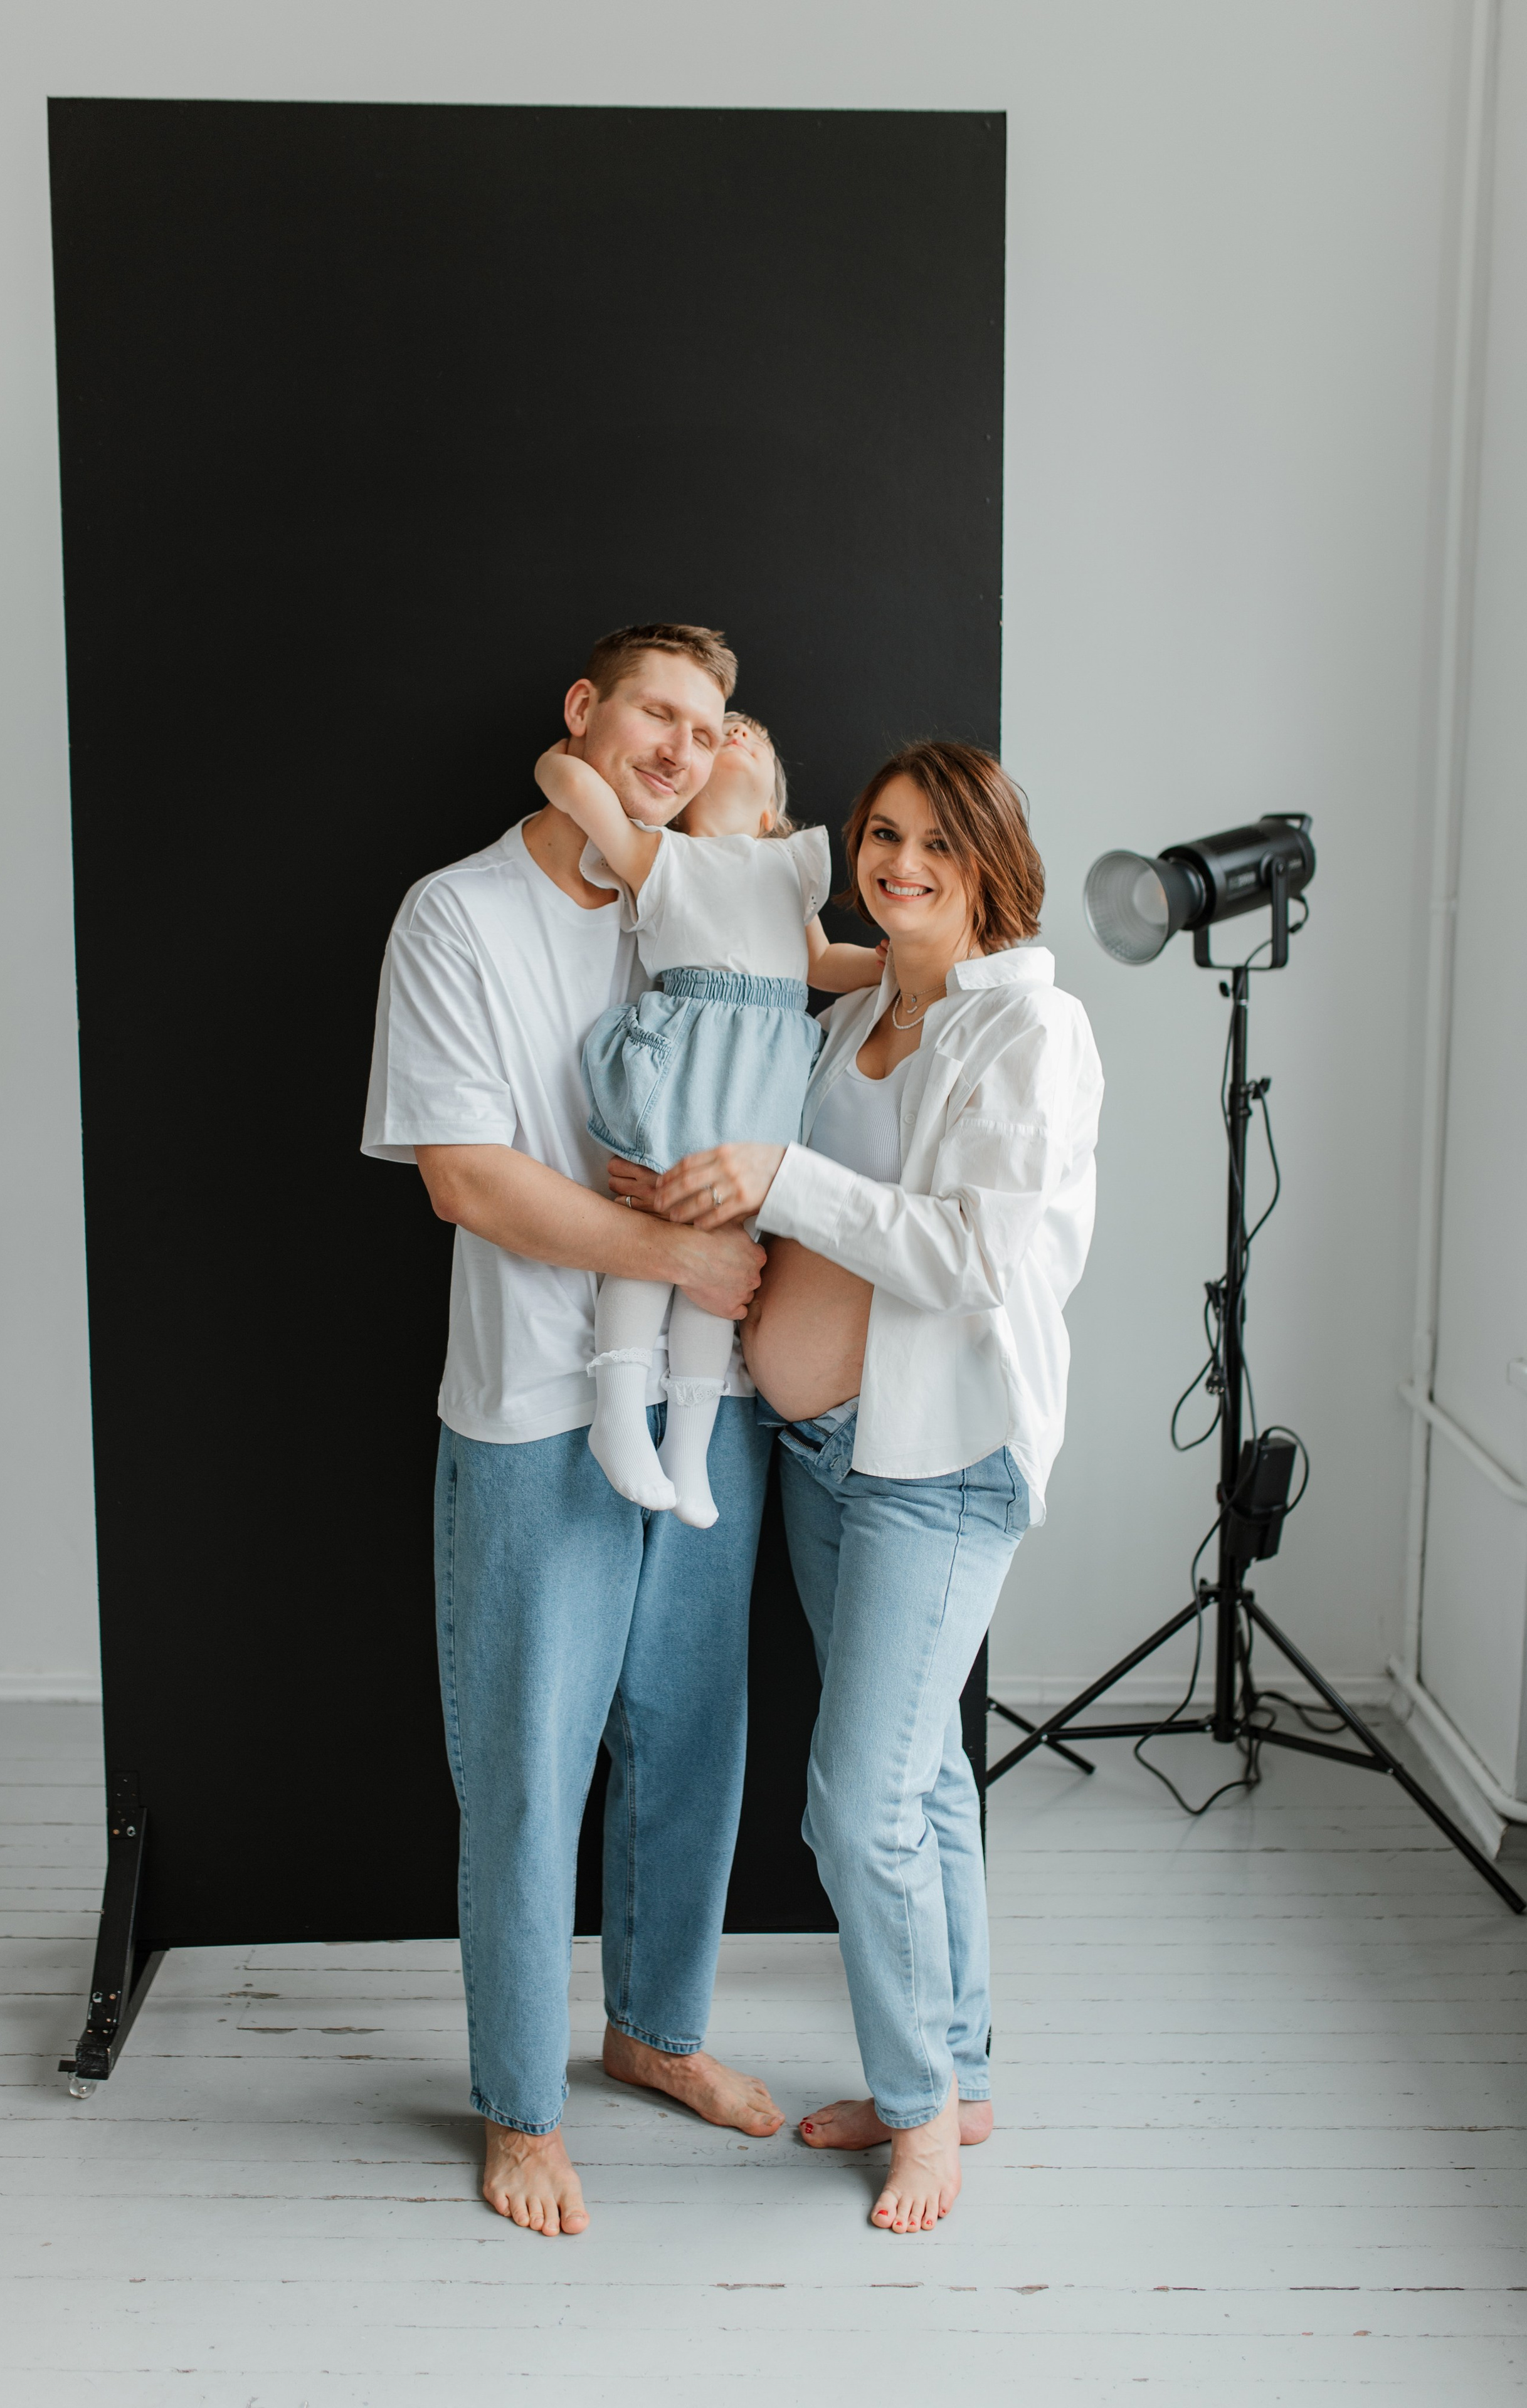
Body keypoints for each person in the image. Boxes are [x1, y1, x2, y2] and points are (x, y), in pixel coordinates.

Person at [622, 742, 1104, 2235]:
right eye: (881, 835)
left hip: (938, 1464)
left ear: (988, 866)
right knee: (926, 1788)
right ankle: (949, 2073)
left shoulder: (1031, 1033)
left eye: (933, 847)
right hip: (832, 1456)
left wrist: (772, 1178)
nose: (898, 863)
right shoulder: (868, 1006)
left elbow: (969, 1255)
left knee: (859, 1806)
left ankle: (918, 2122)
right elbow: (763, 962)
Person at [361, 624, 788, 2241]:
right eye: (655, 715)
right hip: (534, 1408)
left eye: (711, 727)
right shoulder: (458, 914)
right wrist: (684, 1251)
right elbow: (466, 1175)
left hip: (710, 1398)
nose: (680, 750)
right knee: (529, 1771)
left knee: (693, 1740)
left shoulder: (709, 896)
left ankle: (655, 2031)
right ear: (580, 715)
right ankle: (521, 2104)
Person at [534, 713, 882, 1527]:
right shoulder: (665, 856)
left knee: (719, 1266)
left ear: (771, 813)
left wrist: (902, 962)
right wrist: (564, 757)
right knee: (652, 1241)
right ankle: (619, 1415)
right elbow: (578, 791)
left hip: (759, 1085)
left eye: (758, 736)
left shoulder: (783, 865)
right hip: (688, 1070)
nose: (742, 732)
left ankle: (688, 1452)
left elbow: (822, 963)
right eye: (728, 728)